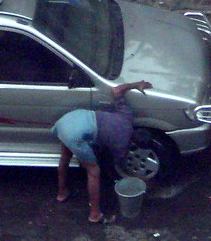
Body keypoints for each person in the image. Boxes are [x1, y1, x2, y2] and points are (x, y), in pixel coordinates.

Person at [53, 79, 153, 223]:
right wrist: (138, 179)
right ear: (135, 144)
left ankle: (61, 193)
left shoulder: (126, 114)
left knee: (65, 157)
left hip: (70, 119)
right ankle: (95, 214)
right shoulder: (122, 145)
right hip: (77, 133)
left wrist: (137, 85)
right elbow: (117, 166)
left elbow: (116, 90)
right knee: (94, 171)